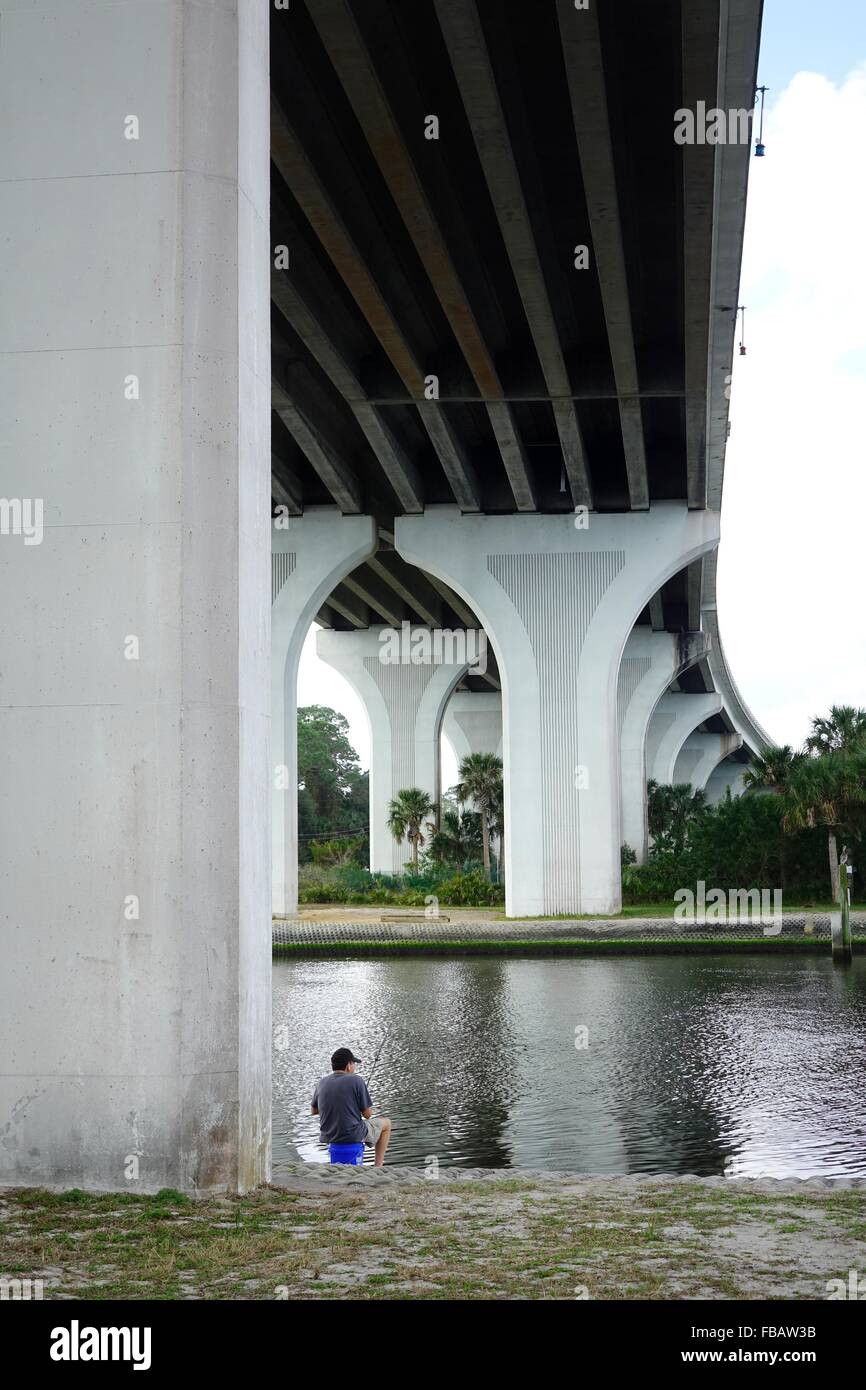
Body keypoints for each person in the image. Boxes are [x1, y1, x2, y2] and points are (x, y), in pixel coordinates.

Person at [311, 1046, 392, 1167]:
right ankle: (378, 1167)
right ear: (348, 1065)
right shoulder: (357, 1080)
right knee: (387, 1123)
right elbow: (367, 1114)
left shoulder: (322, 1082)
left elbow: (314, 1110)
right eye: (354, 1064)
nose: (354, 1067)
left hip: (330, 1135)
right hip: (352, 1134)